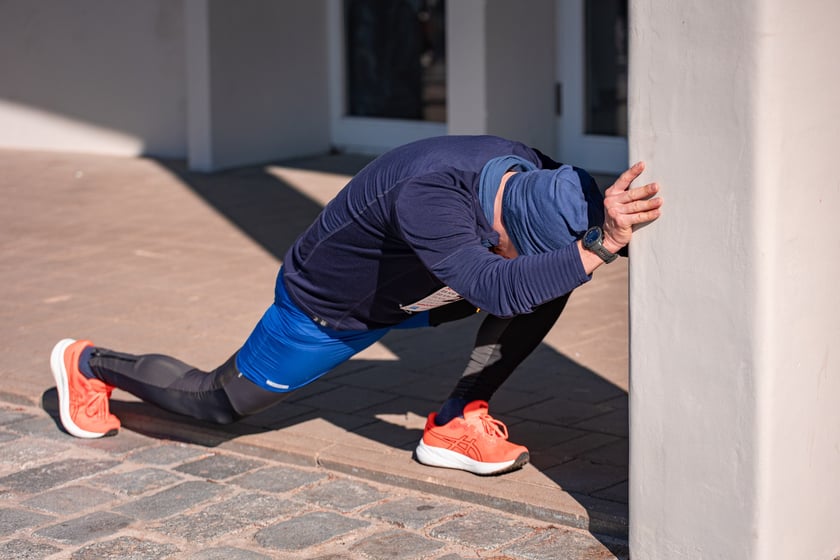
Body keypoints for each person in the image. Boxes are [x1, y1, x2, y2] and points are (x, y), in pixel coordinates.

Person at [50, 135, 662, 476]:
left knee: (548, 282)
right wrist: (601, 248)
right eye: (512, 249)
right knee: (218, 405)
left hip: (426, 289)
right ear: (500, 226)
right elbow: (500, 287)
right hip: (329, 311)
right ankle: (90, 364)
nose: (514, 259)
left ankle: (454, 421)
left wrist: (609, 226)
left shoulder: (531, 171)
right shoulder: (431, 195)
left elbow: (532, 267)